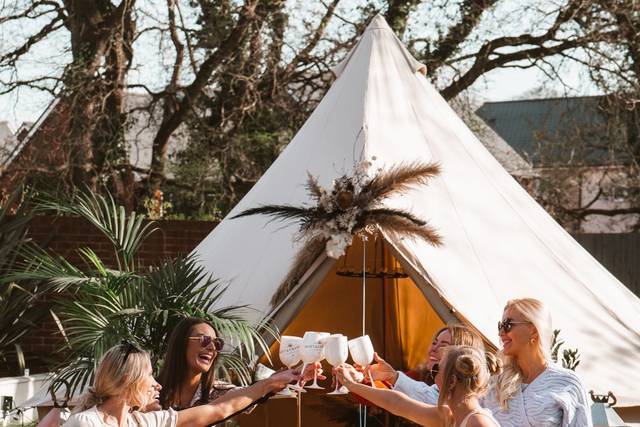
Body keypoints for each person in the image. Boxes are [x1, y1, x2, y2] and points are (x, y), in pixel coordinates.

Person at [63, 342, 298, 427]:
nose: (157, 385)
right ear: (128, 379)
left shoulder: (144, 422)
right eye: (149, 375)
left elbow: (217, 410)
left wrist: (269, 384)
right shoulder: (86, 423)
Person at [158, 317, 323, 410]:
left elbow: (251, 393)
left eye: (217, 343)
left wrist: (293, 375)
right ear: (181, 343)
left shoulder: (217, 392)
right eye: (204, 339)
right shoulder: (149, 391)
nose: (211, 347)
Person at [483, 298, 592, 427]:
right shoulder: (494, 380)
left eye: (507, 325)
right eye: (500, 326)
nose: (501, 333)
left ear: (533, 330)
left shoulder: (568, 383)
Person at [337, 345, 502, 427]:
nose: (433, 374)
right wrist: (351, 385)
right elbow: (396, 403)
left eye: (437, 370)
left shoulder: (478, 422)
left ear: (451, 382)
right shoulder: (448, 415)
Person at [363, 324, 485, 404]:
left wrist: (393, 376)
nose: (433, 349)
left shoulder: (471, 401)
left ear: (461, 354)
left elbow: (433, 403)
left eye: (443, 346)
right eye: (434, 342)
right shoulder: (427, 378)